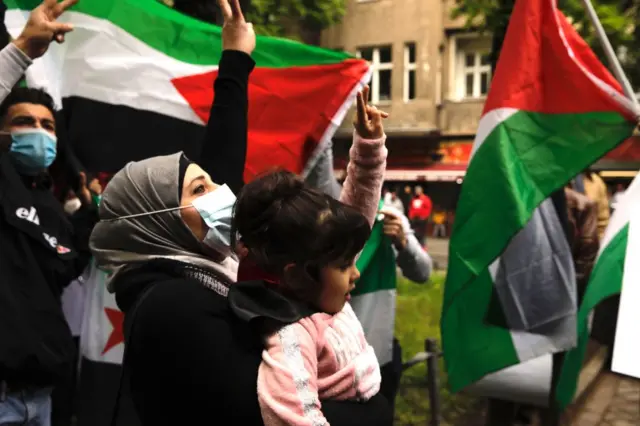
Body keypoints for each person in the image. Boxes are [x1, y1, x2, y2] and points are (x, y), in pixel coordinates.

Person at [89, 0, 393, 424]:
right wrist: (375, 413)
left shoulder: (219, 263)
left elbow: (225, 153)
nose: (223, 193)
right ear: (156, 220)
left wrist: (235, 58)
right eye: (201, 188)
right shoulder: (171, 304)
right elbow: (262, 413)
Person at [229, 88, 387, 425]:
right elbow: (292, 416)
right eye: (345, 265)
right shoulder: (292, 336)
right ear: (298, 274)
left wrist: (369, 148)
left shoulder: (320, 283)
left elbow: (357, 211)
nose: (355, 272)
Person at [0, 1, 99, 425]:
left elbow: (64, 268)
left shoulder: (53, 209)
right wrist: (20, 49)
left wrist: (88, 214)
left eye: (48, 126)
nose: (39, 133)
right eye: (24, 121)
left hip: (40, 398)